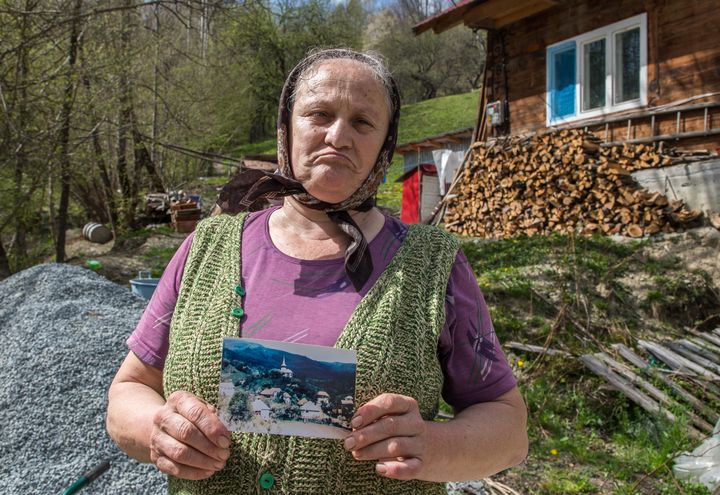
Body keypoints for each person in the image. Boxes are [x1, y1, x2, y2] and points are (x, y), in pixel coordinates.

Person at [107, 48, 528, 494]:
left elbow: (508, 428)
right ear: (286, 129)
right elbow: (129, 389)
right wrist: (157, 430)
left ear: (385, 143)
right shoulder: (206, 247)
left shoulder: (433, 265)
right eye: (319, 114)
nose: (339, 136)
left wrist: (434, 444)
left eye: (363, 122)